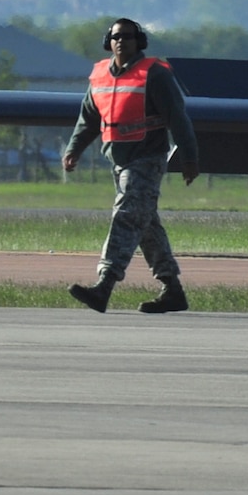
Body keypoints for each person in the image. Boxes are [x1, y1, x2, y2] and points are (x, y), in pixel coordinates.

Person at [62, 18, 197, 314]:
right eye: (116, 36)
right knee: (145, 225)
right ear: (108, 42)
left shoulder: (154, 74)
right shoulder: (100, 75)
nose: (121, 41)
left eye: (127, 36)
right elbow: (88, 118)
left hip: (147, 159)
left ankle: (104, 284)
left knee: (126, 215)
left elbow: (177, 117)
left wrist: (189, 156)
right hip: (119, 161)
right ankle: (172, 290)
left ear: (139, 42)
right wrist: (74, 149)